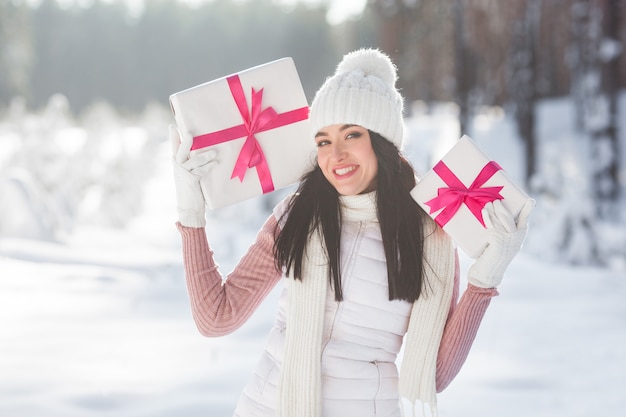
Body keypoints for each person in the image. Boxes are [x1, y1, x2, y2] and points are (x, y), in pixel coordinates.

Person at [169, 48, 534, 417]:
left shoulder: (430, 235)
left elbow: (432, 374)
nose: (335, 155)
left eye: (352, 135)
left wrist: (485, 278)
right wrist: (191, 214)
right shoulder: (298, 213)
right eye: (323, 141)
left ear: (382, 142)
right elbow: (217, 317)